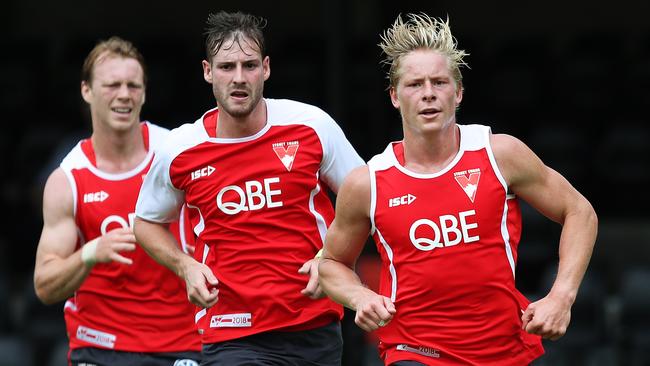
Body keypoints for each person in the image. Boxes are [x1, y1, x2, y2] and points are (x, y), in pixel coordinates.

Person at [318, 13, 598, 366]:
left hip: (504, 349)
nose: (428, 94)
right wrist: (359, 296)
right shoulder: (367, 182)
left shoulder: (500, 154)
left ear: (459, 91)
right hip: (414, 351)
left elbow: (579, 212)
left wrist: (561, 296)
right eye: (415, 84)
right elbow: (331, 264)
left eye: (439, 82)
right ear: (394, 96)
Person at [133, 11, 364, 366]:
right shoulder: (180, 148)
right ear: (208, 71)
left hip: (313, 323)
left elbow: (366, 199)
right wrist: (186, 266)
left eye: (249, 65)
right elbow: (145, 222)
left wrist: (330, 259)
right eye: (226, 67)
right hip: (230, 330)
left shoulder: (311, 125)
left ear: (266, 68)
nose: (239, 78)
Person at [33, 36, 201, 366]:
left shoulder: (177, 153)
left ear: (144, 93)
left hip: (182, 342)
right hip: (99, 344)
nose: (124, 94)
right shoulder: (68, 178)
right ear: (86, 91)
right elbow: (45, 285)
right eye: (112, 85)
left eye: (133, 86)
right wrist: (90, 253)